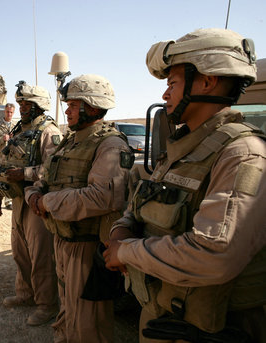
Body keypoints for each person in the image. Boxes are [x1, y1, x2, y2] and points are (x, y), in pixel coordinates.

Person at [103, 28, 266, 342]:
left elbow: (215, 254)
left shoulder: (242, 155)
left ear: (207, 81)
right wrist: (121, 230)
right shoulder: (184, 148)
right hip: (165, 312)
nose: (165, 95)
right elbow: (140, 206)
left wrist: (127, 252)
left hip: (211, 328)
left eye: (172, 83)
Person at [25, 74, 133, 342]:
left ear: (93, 107)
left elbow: (102, 198)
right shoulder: (70, 140)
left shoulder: (110, 144)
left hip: (87, 246)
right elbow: (45, 177)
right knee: (68, 307)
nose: (67, 110)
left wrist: (46, 202)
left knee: (88, 321)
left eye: (73, 105)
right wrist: (34, 194)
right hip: (62, 238)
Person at [0, 81, 61, 326]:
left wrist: (25, 175)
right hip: (18, 200)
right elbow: (4, 162)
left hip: (38, 201)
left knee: (41, 255)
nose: (22, 108)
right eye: (20, 103)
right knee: (20, 251)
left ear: (39, 105)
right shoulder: (18, 131)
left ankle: (47, 305)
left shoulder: (49, 132)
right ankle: (26, 294)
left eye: (27, 104)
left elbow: (55, 170)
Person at [0, 103, 16, 211]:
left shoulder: (16, 126)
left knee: (10, 180)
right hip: (1, 157)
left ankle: (8, 201)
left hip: (13, 158)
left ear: (13, 113)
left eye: (11, 112)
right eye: (7, 111)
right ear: (4, 112)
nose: (9, 114)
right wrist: (2, 139)